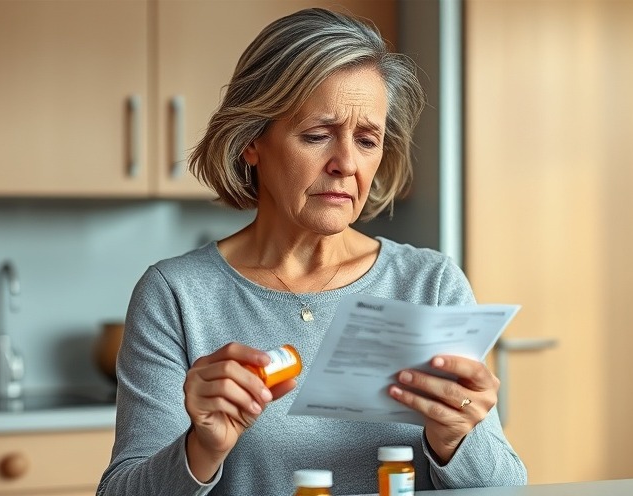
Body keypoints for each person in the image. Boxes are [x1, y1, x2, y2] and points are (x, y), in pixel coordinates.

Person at [97, 7, 526, 495]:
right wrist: (201, 449)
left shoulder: (430, 284)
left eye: (367, 140)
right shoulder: (177, 295)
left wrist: (457, 438)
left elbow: (507, 487)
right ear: (252, 141)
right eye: (317, 135)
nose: (345, 163)